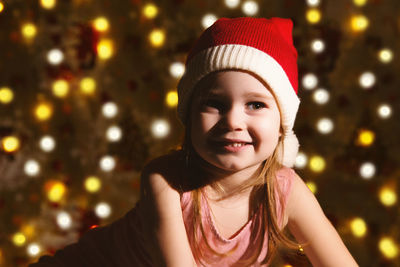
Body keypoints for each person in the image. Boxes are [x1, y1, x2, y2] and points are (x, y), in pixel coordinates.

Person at [31, 17, 358, 266]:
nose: (233, 120)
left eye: (256, 105)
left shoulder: (286, 191)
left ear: (282, 123)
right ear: (189, 117)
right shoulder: (165, 182)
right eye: (214, 104)